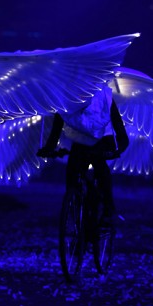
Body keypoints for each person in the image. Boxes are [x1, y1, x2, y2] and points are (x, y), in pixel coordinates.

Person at [37, 82, 129, 227]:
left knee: (101, 168)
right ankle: (75, 208)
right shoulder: (69, 100)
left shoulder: (104, 97)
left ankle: (108, 210)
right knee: (73, 173)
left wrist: (118, 148)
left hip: (103, 141)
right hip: (81, 142)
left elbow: (119, 129)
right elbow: (58, 125)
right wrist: (49, 147)